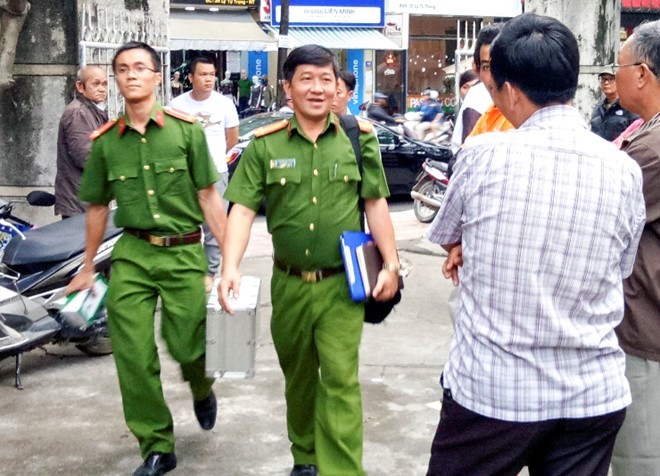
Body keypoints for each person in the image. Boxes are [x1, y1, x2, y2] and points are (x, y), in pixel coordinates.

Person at [426, 13, 645, 476]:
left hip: (493, 395)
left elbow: (446, 235)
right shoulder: (622, 166)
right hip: (592, 395)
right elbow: (622, 266)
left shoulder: (482, 153)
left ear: (508, 89)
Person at [219, 44, 399, 476]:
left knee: (340, 381)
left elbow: (375, 204)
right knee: (299, 379)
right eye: (307, 79)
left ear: (337, 86)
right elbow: (242, 209)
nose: (317, 89)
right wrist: (230, 267)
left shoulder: (360, 139)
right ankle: (305, 455)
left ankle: (342, 469)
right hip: (289, 283)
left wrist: (391, 264)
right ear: (288, 87)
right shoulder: (264, 146)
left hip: (342, 286)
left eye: (326, 80)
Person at [65, 41, 227, 476]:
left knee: (187, 345)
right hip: (133, 255)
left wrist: (229, 263)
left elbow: (209, 196)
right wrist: (85, 268)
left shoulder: (186, 130)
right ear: (116, 81)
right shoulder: (105, 143)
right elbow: (97, 207)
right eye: (122, 69)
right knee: (133, 355)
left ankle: (201, 386)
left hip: (183, 252)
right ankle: (157, 445)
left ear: (158, 77)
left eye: (140, 68)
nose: (131, 75)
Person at [610, 19, 660, 476]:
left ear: (642, 73)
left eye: (619, 66)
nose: (614, 75)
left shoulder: (653, 148)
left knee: (640, 459)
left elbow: (599, 213)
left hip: (648, 331)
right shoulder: (646, 132)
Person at [172, 56, 239, 291]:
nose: (208, 79)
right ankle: (186, 269)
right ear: (191, 77)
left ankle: (209, 272)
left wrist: (215, 159)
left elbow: (232, 139)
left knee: (215, 227)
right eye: (203, 74)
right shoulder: (176, 105)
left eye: (211, 74)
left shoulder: (225, 104)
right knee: (186, 224)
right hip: (185, 175)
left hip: (216, 173)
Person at [54, 66, 108, 219]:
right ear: (80, 87)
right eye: (96, 84)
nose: (102, 89)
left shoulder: (92, 110)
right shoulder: (79, 112)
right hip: (79, 202)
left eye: (104, 84)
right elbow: (86, 157)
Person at [450, 24, 501, 153]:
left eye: (500, 65)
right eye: (487, 67)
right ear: (475, 67)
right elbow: (468, 154)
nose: (494, 77)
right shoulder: (478, 98)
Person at [590, 68, 638, 141]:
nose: (606, 83)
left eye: (611, 79)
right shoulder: (598, 107)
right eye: (603, 79)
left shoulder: (629, 106)